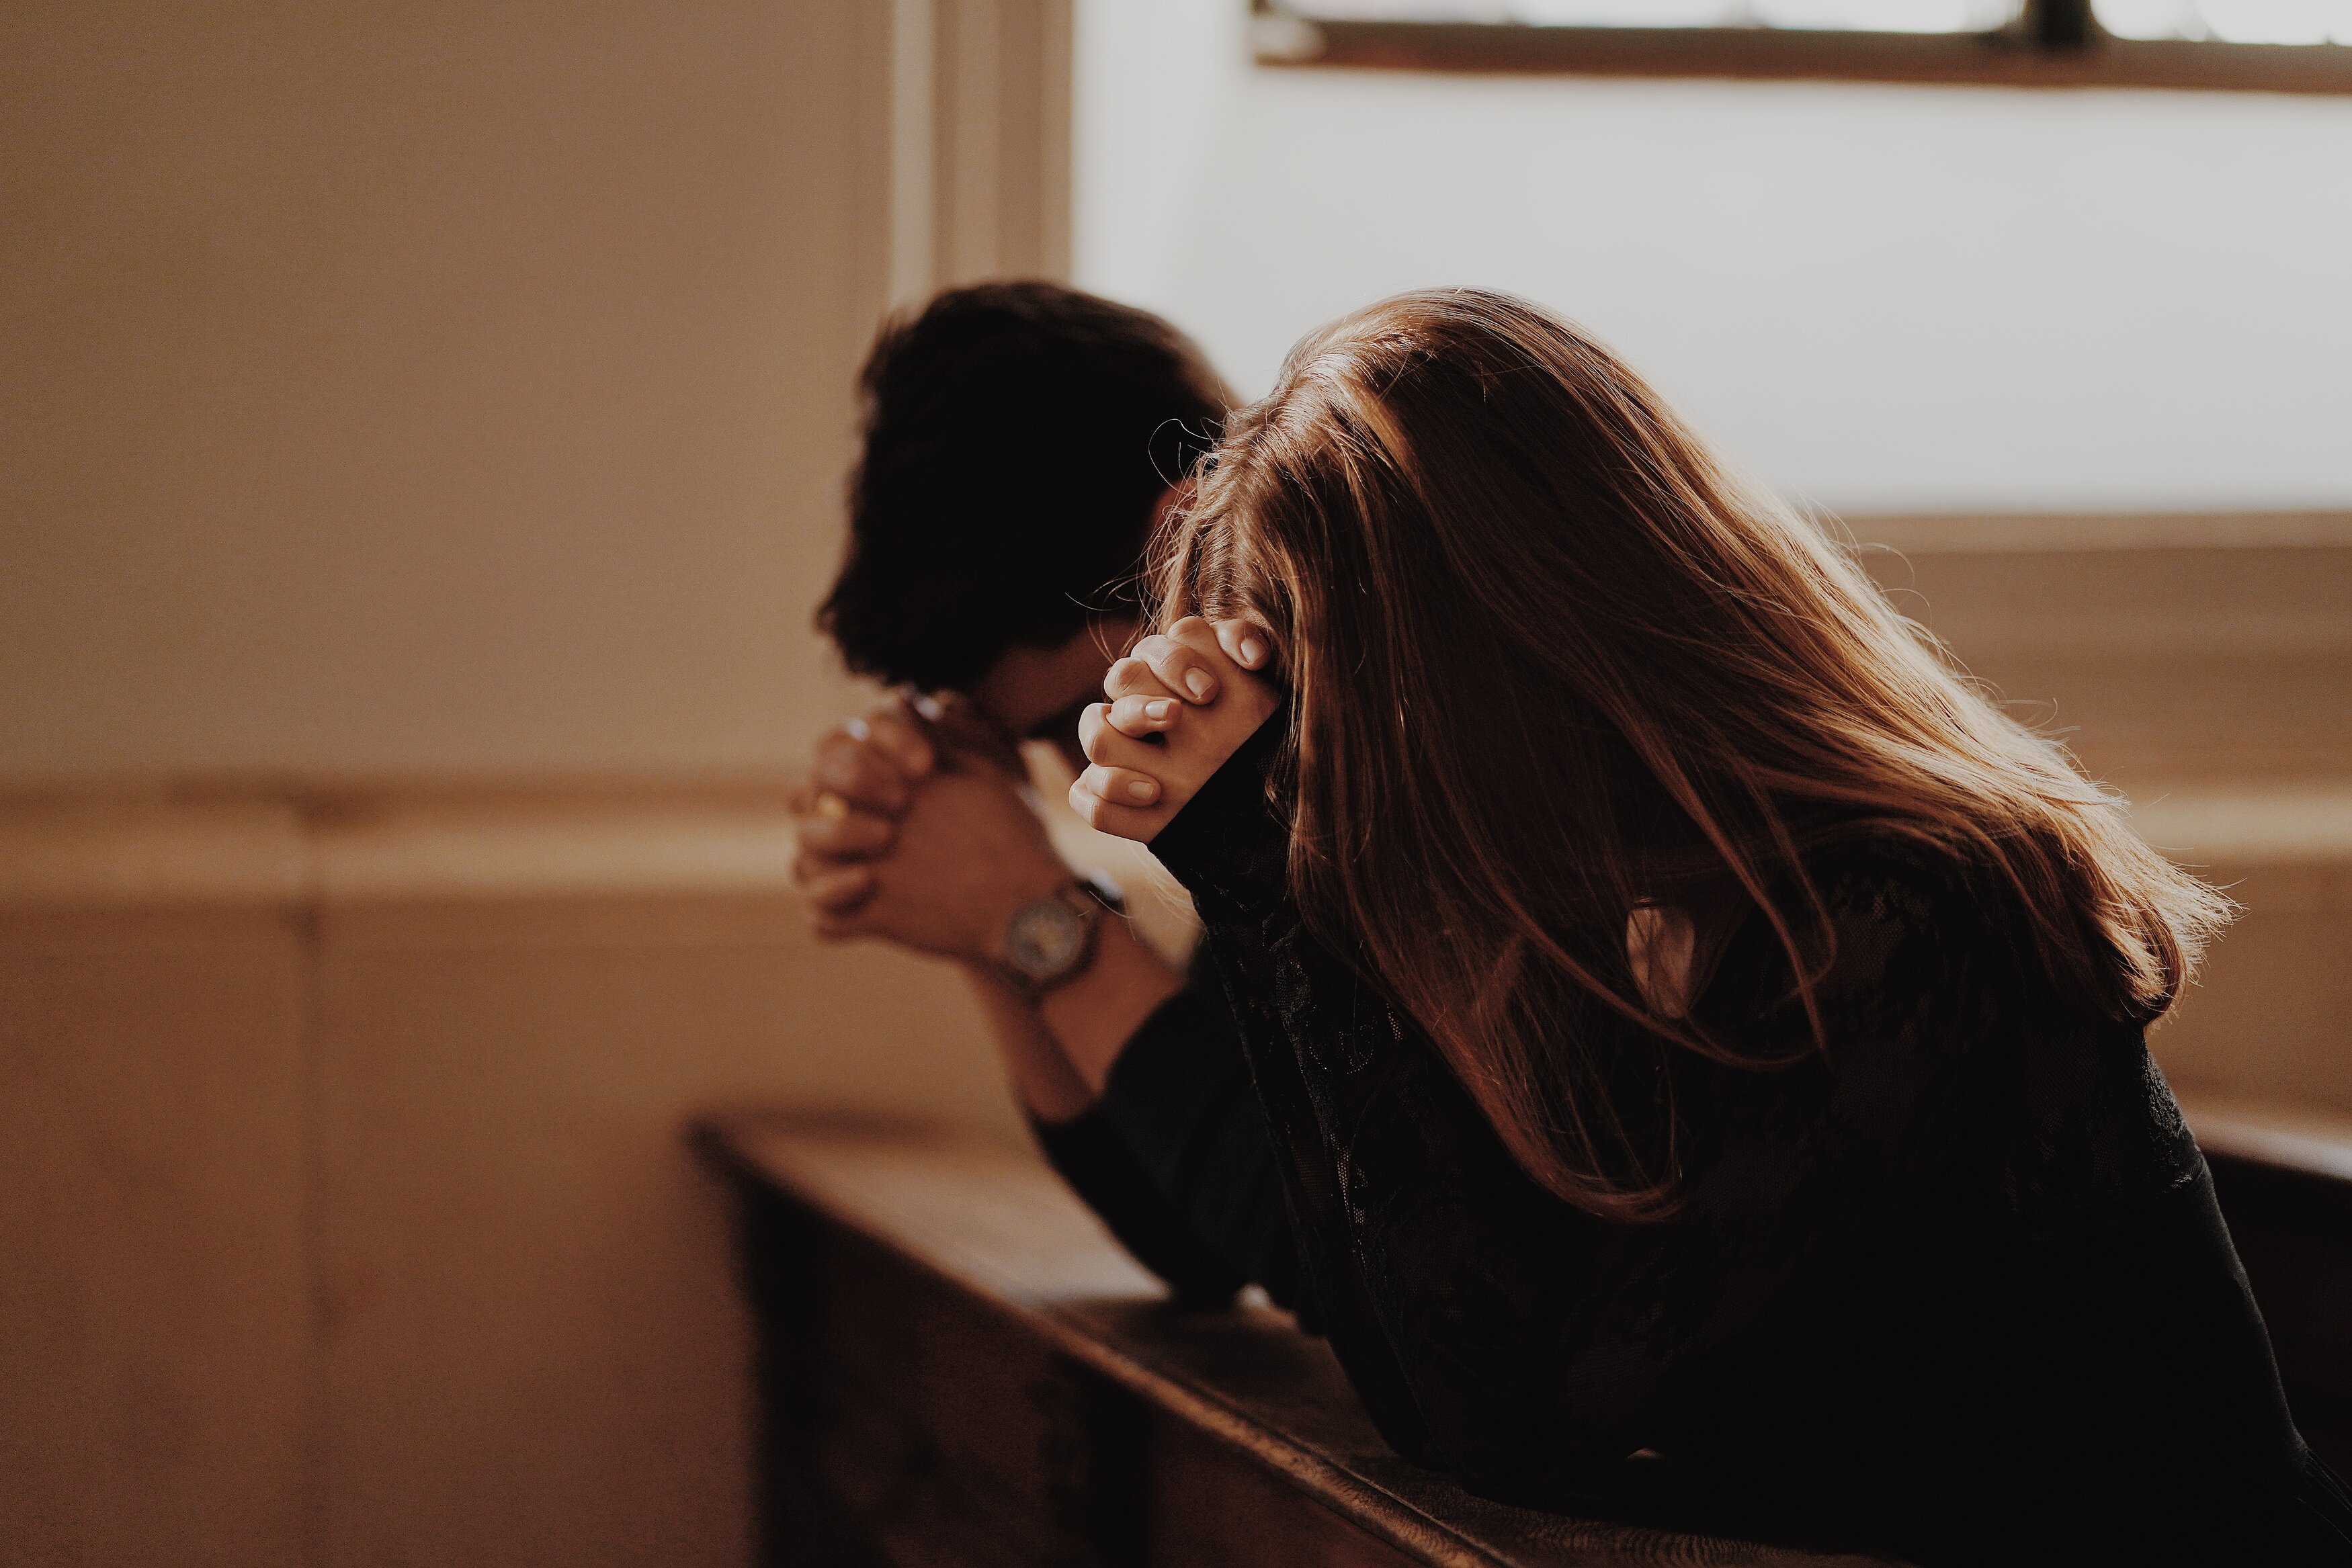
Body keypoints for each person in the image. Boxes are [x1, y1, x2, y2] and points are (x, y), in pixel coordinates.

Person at [1060, 288, 2352, 1564]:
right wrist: (1248, 890)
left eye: (1327, 734)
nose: (1325, 799)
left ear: (1492, 666)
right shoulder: (1594, 927)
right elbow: (1409, 1372)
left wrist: (1261, 891)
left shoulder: (1913, 911)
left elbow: (1509, 1414)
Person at [792, 279, 1292, 1303]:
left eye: (1075, 719)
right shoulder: (1276, 793)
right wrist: (984, 902)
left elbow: (1308, 1241)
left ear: (1188, 538)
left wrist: (1032, 913)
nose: (1081, 785)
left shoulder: (1407, 763)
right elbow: (1196, 1236)